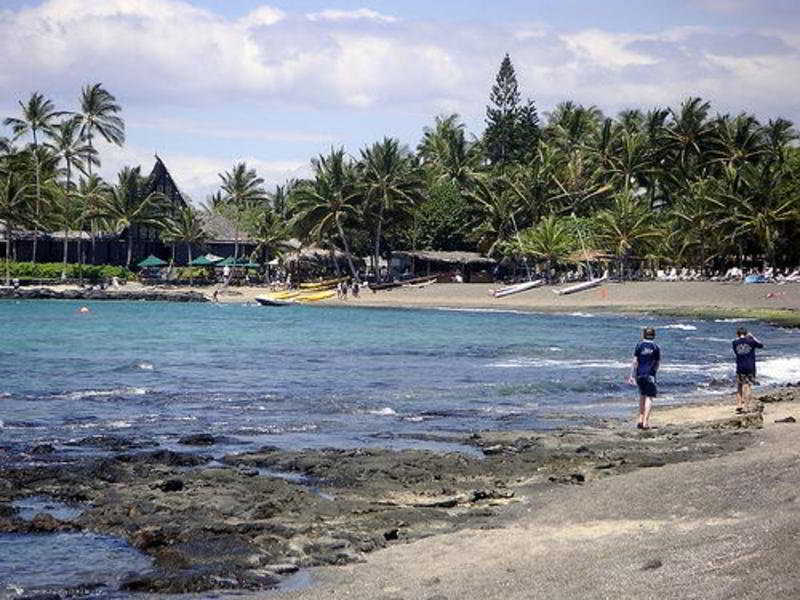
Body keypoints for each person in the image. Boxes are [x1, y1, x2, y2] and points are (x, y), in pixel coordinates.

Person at [627, 327, 660, 429]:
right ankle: (645, 422)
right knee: (649, 397)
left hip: (639, 374)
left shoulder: (639, 345)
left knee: (642, 395)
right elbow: (657, 363)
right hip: (650, 375)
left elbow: (635, 361)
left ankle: (640, 419)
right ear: (654, 335)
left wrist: (631, 375)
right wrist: (654, 372)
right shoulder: (656, 347)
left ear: (643, 335)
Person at [732, 327, 764, 413]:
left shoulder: (734, 343)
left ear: (737, 334)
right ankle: (746, 407)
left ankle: (739, 405)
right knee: (748, 386)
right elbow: (761, 345)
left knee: (739, 386)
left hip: (740, 367)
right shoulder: (751, 341)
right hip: (750, 367)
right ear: (746, 334)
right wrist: (752, 337)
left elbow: (736, 351)